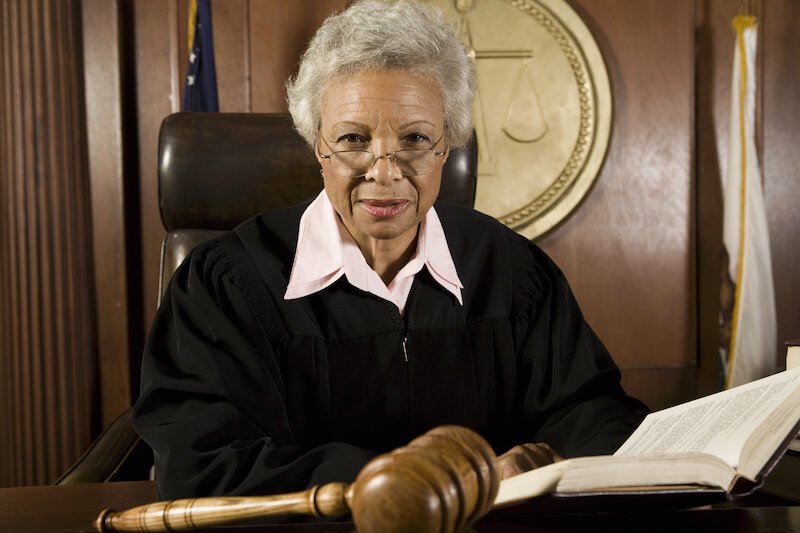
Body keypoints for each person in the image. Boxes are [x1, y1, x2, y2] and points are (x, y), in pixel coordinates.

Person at [133, 0, 647, 500]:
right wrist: (432, 480)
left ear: (449, 144)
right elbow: (202, 466)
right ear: (318, 145)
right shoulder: (224, 286)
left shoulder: (512, 273)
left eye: (415, 138)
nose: (384, 171)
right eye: (354, 139)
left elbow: (591, 414)